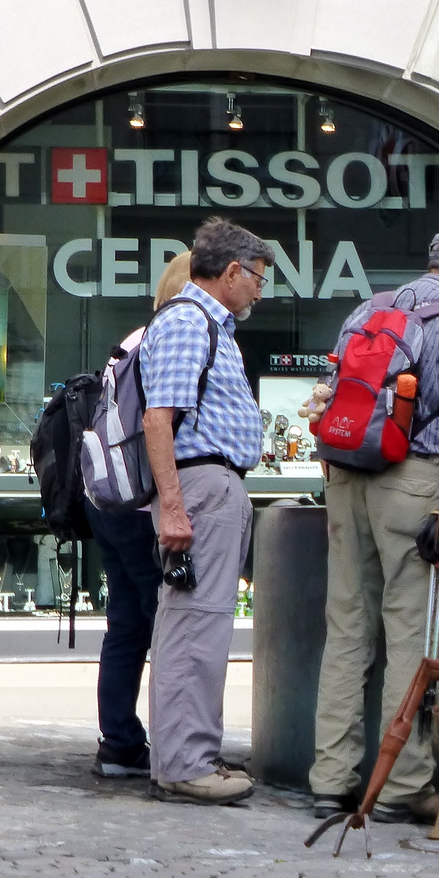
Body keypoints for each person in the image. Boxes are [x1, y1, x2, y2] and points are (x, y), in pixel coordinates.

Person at [309, 228, 439, 824]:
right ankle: (400, 787)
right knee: (413, 638)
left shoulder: (367, 311)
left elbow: (331, 398)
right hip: (415, 484)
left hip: (346, 478)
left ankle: (330, 780)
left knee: (346, 629)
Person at [140, 220, 273, 805]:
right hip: (201, 489)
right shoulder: (189, 323)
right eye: (258, 279)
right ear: (232, 273)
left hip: (209, 488)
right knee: (198, 623)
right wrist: (173, 508)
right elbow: (157, 420)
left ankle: (186, 756)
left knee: (198, 621)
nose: (260, 292)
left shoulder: (203, 324)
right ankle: (187, 762)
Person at [90, 252, 190, 778]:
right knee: (169, 624)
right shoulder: (171, 339)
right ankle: (177, 749)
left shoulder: (130, 340)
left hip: (108, 499)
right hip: (145, 503)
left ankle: (120, 742)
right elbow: (162, 426)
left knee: (126, 622)